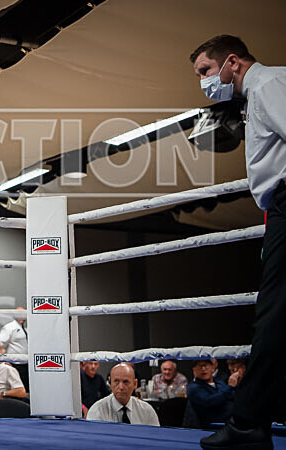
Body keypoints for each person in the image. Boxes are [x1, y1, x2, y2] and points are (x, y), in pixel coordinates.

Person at [190, 35, 286, 449]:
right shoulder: (264, 91)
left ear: (232, 62)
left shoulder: (267, 86)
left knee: (274, 316)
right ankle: (251, 423)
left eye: (205, 71)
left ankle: (248, 425)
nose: (204, 82)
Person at [86, 363, 159, 426]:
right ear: (110, 383)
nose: (121, 387)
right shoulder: (97, 411)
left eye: (126, 382)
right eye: (116, 381)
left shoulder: (147, 411)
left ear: (135, 384)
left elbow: (156, 439)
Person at [186, 360, 235, 429]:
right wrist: (230, 387)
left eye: (206, 366)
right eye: (200, 366)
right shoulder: (193, 387)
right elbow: (209, 401)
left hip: (231, 421)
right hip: (213, 426)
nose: (203, 369)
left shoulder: (220, 383)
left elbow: (233, 396)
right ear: (194, 370)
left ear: (213, 368)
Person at [0, 306, 29, 390]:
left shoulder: (26, 328)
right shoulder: (9, 327)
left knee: (26, 389)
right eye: (19, 313)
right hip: (15, 364)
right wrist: (4, 360)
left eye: (24, 313)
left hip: (26, 364)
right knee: (16, 389)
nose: (22, 315)